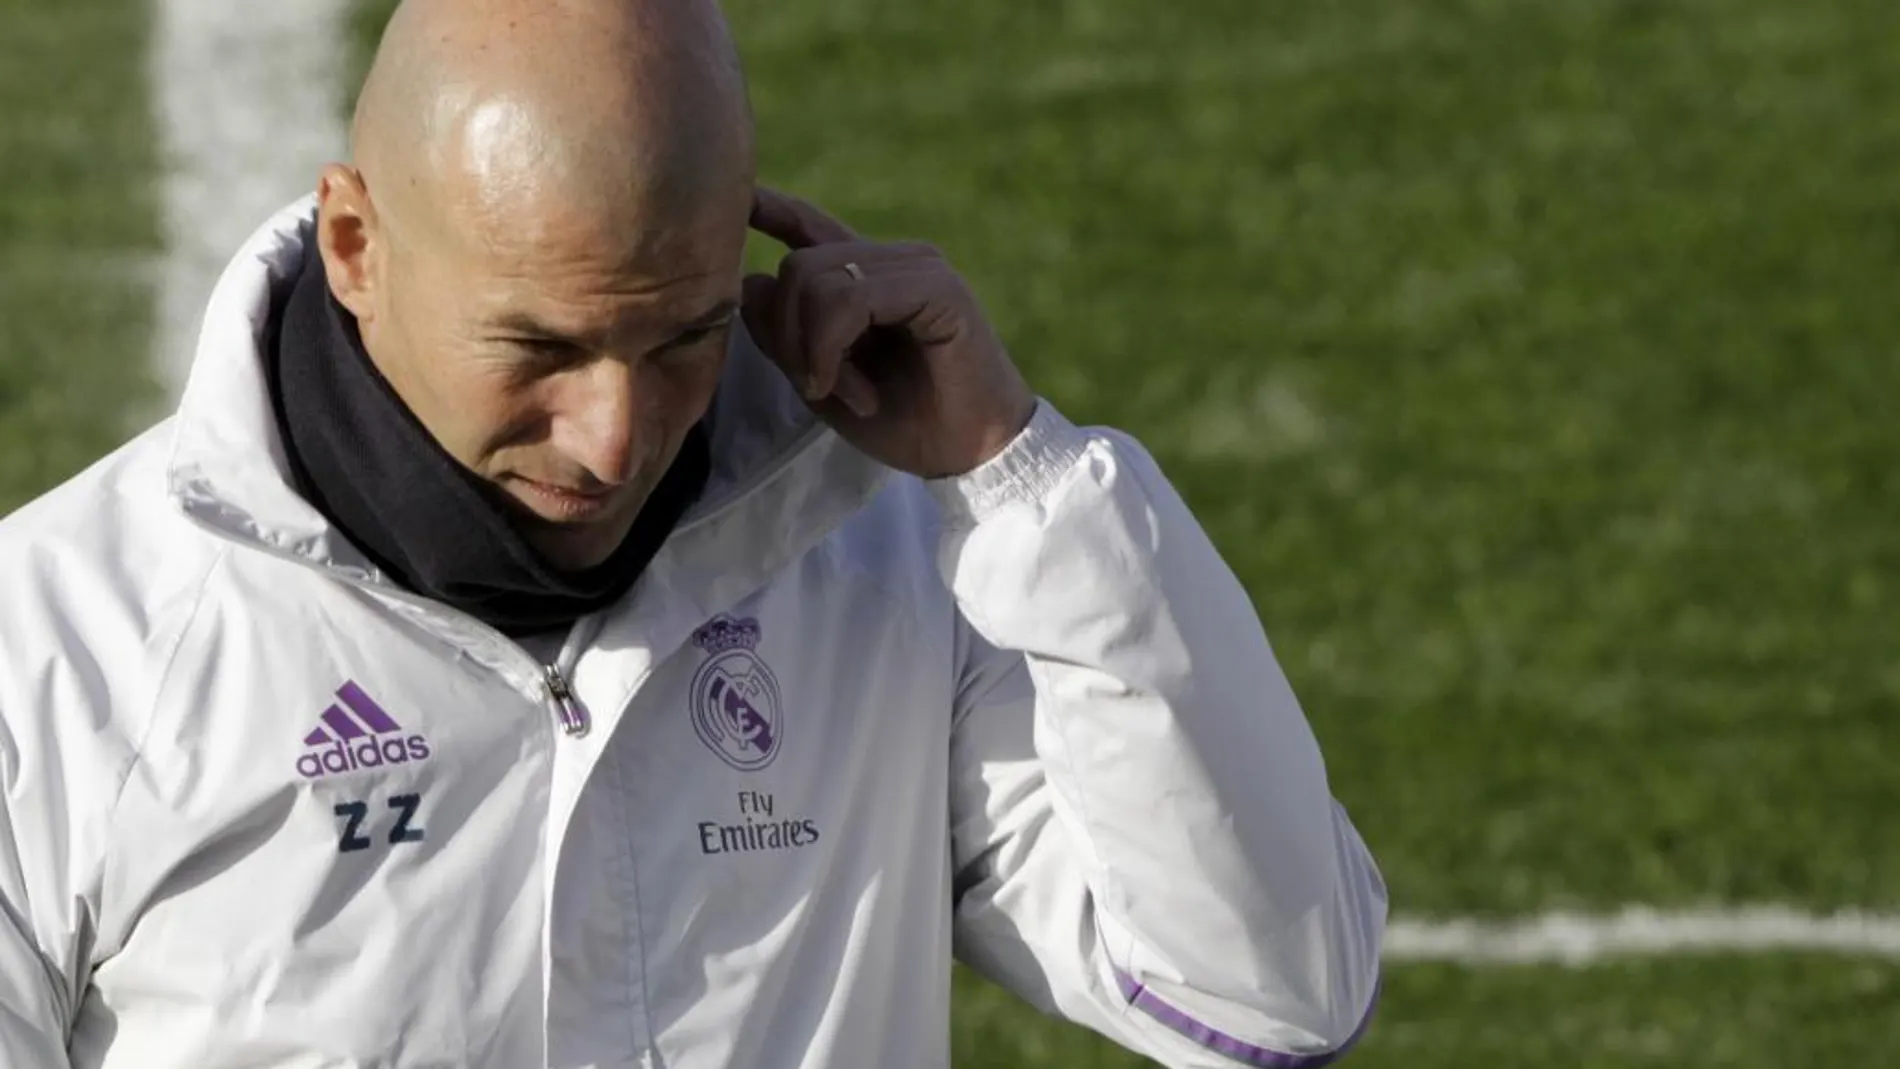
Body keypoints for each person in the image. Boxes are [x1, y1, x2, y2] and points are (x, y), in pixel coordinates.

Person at [0, 0, 1386, 1065]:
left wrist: (1023, 476)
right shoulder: (57, 651)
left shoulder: (892, 555)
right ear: (356, 243)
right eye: (540, 345)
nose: (614, 435)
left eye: (684, 336)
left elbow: (1267, 995)